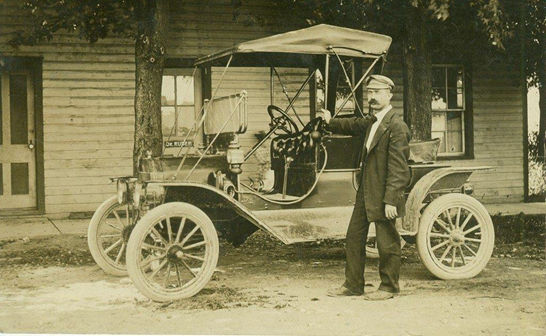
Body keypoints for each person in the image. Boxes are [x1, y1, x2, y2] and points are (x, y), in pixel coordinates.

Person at [319, 74, 411, 300]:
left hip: (384, 193)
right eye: (370, 92)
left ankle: (389, 287)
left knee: (387, 241)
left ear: (389, 94)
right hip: (367, 190)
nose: (372, 97)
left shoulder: (397, 126)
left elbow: (399, 169)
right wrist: (330, 121)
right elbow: (352, 124)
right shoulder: (372, 120)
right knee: (353, 237)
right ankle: (353, 285)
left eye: (378, 92)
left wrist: (391, 199)